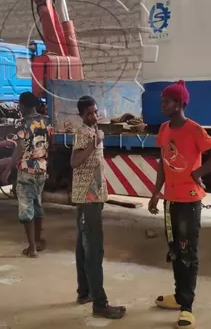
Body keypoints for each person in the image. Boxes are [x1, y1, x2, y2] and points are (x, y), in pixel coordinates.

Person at [148, 80, 211, 329]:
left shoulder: (194, 129)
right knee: (174, 251)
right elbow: (163, 162)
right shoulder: (164, 128)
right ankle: (179, 295)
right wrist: (155, 193)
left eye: (166, 101)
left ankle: (187, 307)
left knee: (187, 252)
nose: (162, 105)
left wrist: (197, 173)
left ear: (180, 104)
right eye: (162, 101)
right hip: (170, 200)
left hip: (190, 200)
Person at [70, 96, 127, 320]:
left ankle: (84, 293)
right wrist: (96, 142)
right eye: (89, 114)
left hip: (92, 197)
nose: (94, 116)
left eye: (95, 112)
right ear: (82, 115)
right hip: (88, 200)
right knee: (94, 251)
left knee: (83, 248)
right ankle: (100, 304)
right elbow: (74, 161)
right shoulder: (84, 133)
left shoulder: (93, 131)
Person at [6, 91, 52, 258]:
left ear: (24, 105)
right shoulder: (46, 120)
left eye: (19, 104)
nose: (19, 107)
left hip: (26, 170)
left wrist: (8, 168)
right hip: (42, 169)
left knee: (26, 209)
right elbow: (49, 143)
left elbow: (19, 148)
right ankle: (38, 241)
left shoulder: (23, 123)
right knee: (38, 205)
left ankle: (32, 248)